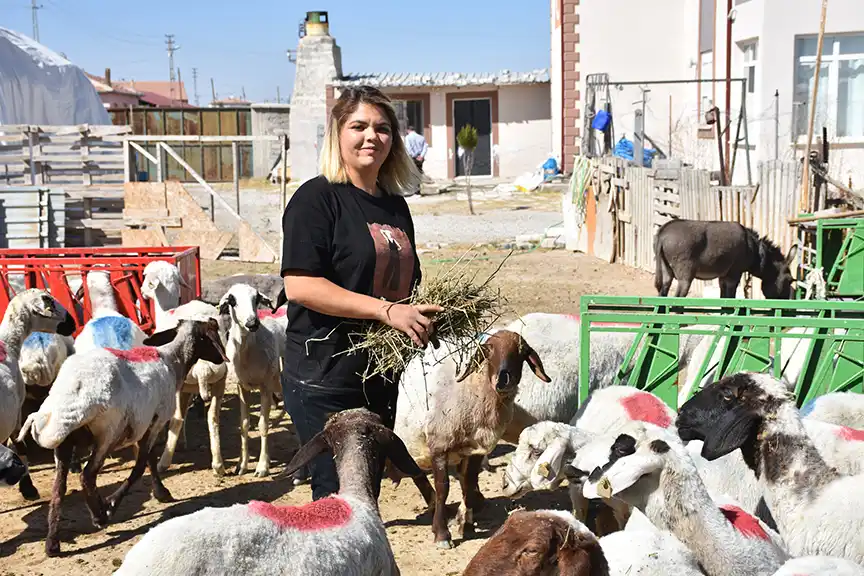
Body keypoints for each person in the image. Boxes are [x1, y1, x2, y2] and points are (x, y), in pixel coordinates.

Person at [280, 86, 442, 501]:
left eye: (383, 128)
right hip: (325, 374)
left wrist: (420, 313)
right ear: (338, 134)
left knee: (366, 493)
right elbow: (300, 285)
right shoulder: (315, 200)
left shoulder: (394, 205)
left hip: (379, 373)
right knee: (338, 496)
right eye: (359, 126)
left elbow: (404, 280)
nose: (372, 136)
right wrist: (387, 311)